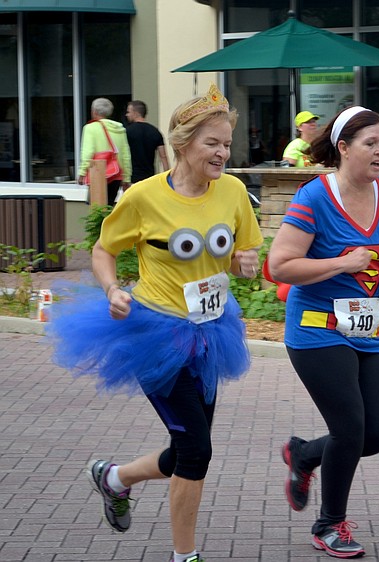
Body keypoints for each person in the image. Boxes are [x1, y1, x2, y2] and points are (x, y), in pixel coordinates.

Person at [48, 83, 263, 562]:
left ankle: (115, 478)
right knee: (197, 449)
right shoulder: (144, 197)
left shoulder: (233, 192)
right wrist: (112, 290)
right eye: (212, 143)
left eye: (227, 144)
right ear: (183, 143)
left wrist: (243, 263)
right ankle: (185, 556)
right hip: (155, 334)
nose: (223, 153)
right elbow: (103, 250)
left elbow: (238, 257)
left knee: (188, 447)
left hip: (211, 333)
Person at [267, 106, 379, 559]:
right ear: (343, 148)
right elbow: (280, 265)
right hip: (315, 329)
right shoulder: (314, 197)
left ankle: (305, 455)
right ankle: (329, 526)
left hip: (364, 327)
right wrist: (341, 264)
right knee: (349, 428)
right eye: (371, 143)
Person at [78, 98, 132, 204]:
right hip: (116, 173)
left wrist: (82, 172)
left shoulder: (90, 128)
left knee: (96, 208)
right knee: (109, 206)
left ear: (94, 111)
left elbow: (88, 153)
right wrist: (126, 177)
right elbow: (126, 155)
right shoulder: (120, 129)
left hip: (97, 173)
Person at [125, 100, 170, 183]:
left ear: (135, 113)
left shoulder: (127, 131)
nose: (127, 115)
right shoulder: (155, 131)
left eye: (128, 112)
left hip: (132, 178)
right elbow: (163, 157)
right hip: (150, 178)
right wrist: (167, 178)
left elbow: (123, 154)